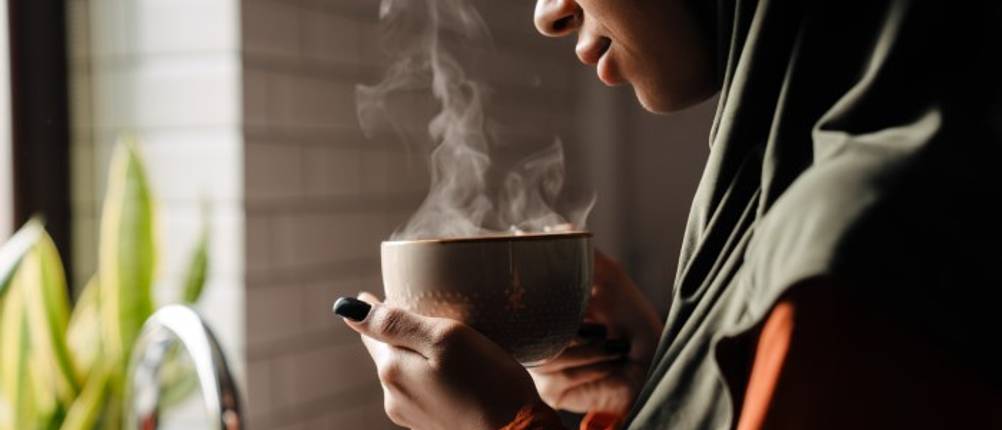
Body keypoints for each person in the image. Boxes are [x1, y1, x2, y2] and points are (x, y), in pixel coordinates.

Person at [332, 0, 1002, 428]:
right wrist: (666, 384)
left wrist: (507, 425)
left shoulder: (864, 246)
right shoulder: (801, 187)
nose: (546, 13)